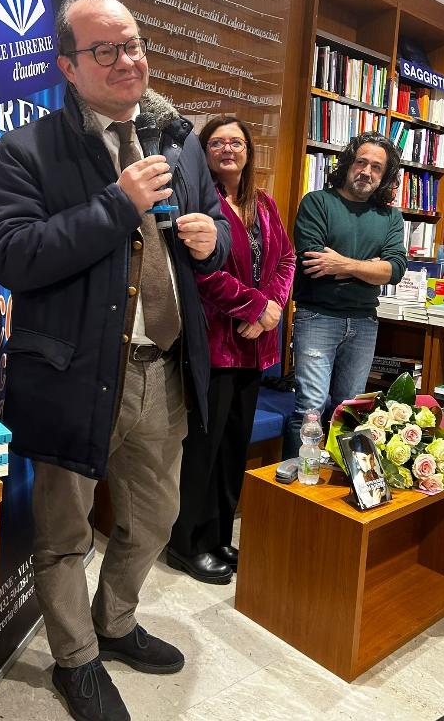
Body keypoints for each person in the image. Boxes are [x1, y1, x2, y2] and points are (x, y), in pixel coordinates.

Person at [0, 0, 230, 721]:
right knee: (62, 537)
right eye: (107, 50)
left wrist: (211, 240)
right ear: (67, 64)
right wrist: (113, 204)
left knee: (155, 519)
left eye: (134, 44)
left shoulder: (176, 138)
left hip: (166, 376)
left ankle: (114, 621)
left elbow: (209, 225)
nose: (130, 61)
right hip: (70, 378)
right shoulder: (27, 149)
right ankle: (76, 662)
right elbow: (13, 256)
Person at [167, 115, 295, 583]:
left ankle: (220, 535)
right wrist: (255, 307)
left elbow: (285, 257)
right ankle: (187, 543)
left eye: (236, 142)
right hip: (216, 346)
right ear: (202, 152)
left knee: (234, 447)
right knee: (204, 448)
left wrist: (274, 307)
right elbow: (202, 274)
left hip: (256, 349)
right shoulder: (199, 203)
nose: (227, 149)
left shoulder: (263, 204)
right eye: (216, 142)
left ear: (248, 151)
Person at [282, 133, 407, 459]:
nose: (366, 171)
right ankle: (298, 485)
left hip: (365, 320)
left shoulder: (390, 217)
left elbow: (395, 269)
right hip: (317, 316)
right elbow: (313, 261)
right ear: (349, 163)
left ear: (385, 176)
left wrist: (341, 263)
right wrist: (369, 268)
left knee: (349, 408)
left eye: (376, 167)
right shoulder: (318, 202)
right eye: (361, 162)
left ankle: (340, 483)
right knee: (310, 408)